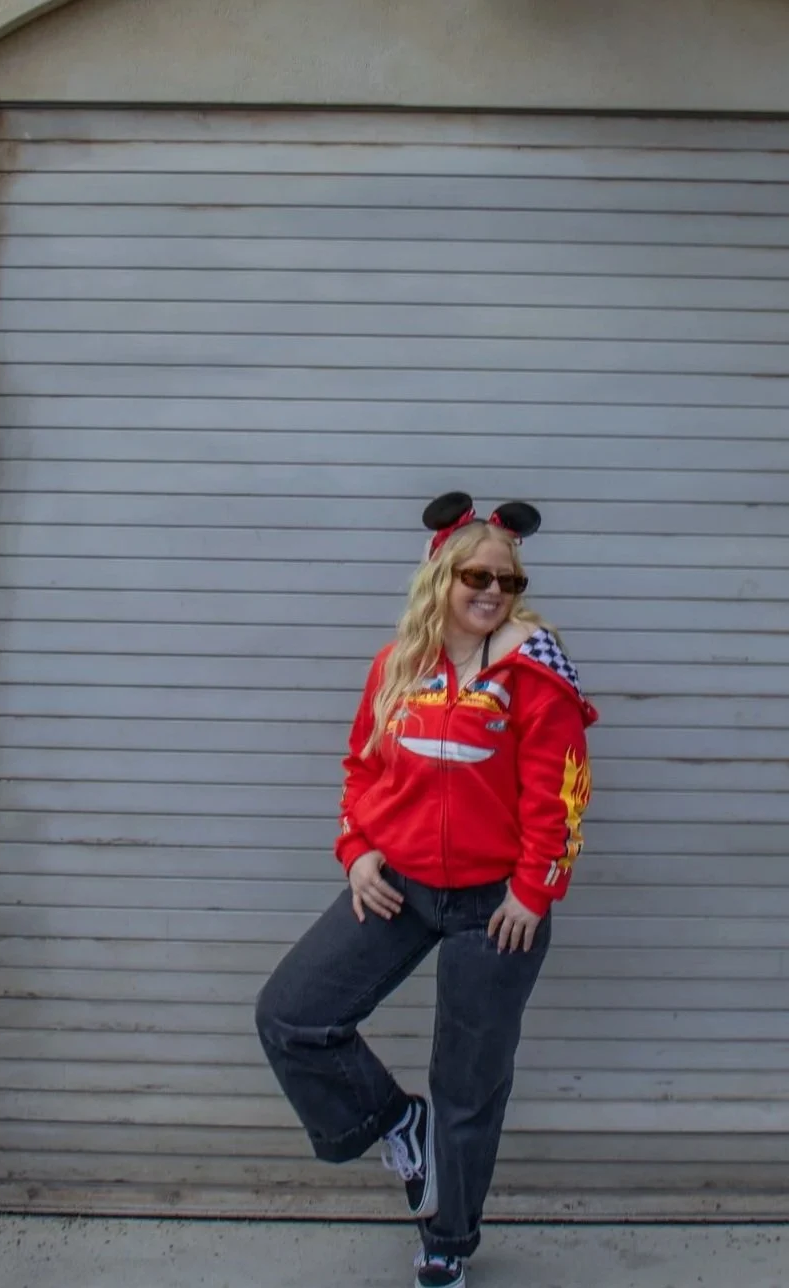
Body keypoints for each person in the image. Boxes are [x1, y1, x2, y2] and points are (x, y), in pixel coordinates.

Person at [256, 492, 596, 1288]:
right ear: (441, 576)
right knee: (292, 1016)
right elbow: (361, 767)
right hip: (400, 888)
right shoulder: (397, 666)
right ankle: (396, 1121)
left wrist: (534, 892)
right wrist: (357, 852)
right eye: (476, 576)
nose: (492, 592)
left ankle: (448, 1241)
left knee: (468, 1085)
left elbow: (562, 792)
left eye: (508, 581)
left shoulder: (535, 672)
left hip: (497, 906)